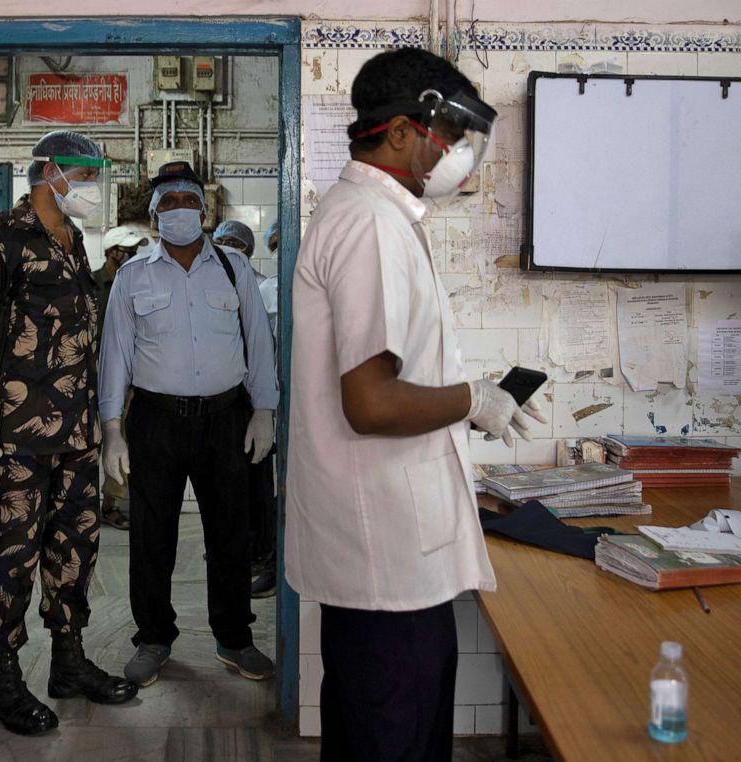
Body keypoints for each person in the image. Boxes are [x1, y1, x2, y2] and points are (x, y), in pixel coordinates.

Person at [285, 48, 547, 762]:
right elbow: (368, 403)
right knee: (395, 740)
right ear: (401, 131)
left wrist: (467, 398)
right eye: (451, 136)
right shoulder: (370, 223)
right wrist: (473, 401)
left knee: (374, 733)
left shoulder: (373, 215)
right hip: (387, 560)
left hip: (384, 554)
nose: (458, 155)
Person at [0, 129, 137, 737]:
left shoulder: (74, 241)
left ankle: (68, 661)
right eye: (82, 174)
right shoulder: (1, 237)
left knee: (74, 550)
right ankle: (2, 680)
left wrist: (106, 428)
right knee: (12, 555)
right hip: (21, 436)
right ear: (49, 170)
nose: (90, 186)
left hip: (76, 433)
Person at [99, 161, 278, 688]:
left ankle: (234, 637)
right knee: (152, 534)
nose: (180, 210)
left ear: (204, 210)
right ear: (155, 216)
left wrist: (264, 409)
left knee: (229, 532)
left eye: (189, 201)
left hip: (225, 417)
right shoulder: (133, 275)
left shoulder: (232, 269)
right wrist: (112, 426)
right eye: (169, 203)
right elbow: (115, 355)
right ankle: (153, 638)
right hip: (156, 420)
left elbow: (259, 344)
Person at [92, 224, 150, 531]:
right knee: (88, 441)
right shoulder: (91, 283)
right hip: (91, 375)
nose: (131, 255)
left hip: (129, 377)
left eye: (135, 250)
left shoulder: (138, 283)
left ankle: (110, 504)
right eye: (127, 250)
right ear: (112, 251)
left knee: (122, 439)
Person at [250, 220, 280, 598]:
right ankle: (272, 561)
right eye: (275, 244)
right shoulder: (265, 292)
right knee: (268, 486)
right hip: (269, 403)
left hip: (311, 407)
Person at [213, 219, 265, 284]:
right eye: (218, 243)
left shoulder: (261, 285)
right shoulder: (209, 280)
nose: (221, 248)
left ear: (248, 250)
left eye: (229, 244)